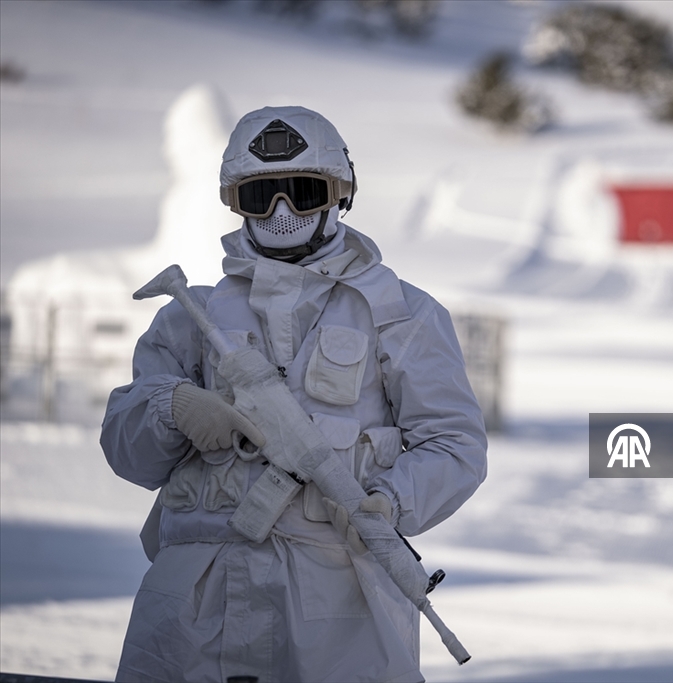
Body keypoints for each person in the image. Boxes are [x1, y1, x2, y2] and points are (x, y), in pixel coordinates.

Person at [101, 105, 488, 683]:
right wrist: (172, 406)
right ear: (237, 203)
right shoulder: (191, 318)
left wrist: (391, 502)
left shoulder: (401, 315)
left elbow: (455, 445)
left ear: (338, 195)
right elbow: (128, 451)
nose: (282, 213)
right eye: (262, 197)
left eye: (302, 192)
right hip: (193, 611)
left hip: (337, 613)